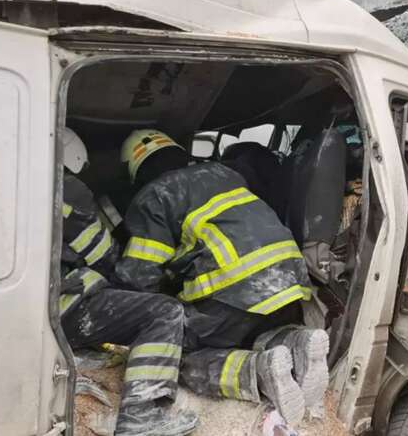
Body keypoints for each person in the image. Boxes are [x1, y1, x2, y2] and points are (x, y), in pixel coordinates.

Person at [115, 129, 329, 425]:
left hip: (238, 287)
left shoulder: (155, 195)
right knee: (250, 331)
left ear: (136, 169)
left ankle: (257, 372)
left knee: (175, 353)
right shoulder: (222, 172)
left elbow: (140, 277)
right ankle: (297, 343)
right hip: (290, 279)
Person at [59, 128, 197, 436]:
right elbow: (103, 257)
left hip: (43, 306)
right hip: (66, 305)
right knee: (165, 312)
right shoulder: (68, 189)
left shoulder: (23, 185)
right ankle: (141, 419)